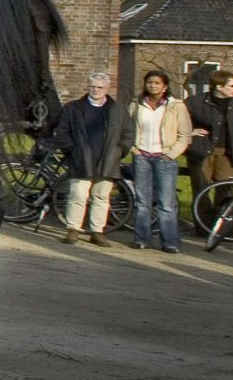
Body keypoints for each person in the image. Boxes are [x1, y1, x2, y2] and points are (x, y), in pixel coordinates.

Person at [53, 72, 128, 245]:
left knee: (101, 197)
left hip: (107, 159)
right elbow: (62, 132)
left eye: (100, 87)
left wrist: (120, 150)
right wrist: (72, 150)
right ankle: (72, 230)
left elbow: (128, 133)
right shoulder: (73, 108)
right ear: (88, 87)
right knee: (77, 195)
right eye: (92, 86)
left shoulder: (118, 110)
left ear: (107, 89)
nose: (96, 90)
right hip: (81, 158)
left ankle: (97, 231)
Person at [127, 69, 189, 254]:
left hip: (164, 158)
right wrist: (134, 150)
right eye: (150, 82)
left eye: (157, 83)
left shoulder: (176, 106)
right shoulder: (136, 105)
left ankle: (170, 240)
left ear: (165, 87)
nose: (153, 86)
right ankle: (141, 238)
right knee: (142, 200)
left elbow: (184, 135)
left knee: (166, 201)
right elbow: (127, 129)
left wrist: (171, 153)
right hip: (142, 156)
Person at [188, 70, 233, 227]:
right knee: (201, 189)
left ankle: (222, 227)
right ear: (219, 87)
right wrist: (190, 132)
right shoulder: (195, 102)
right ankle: (203, 226)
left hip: (227, 151)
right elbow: (180, 121)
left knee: (225, 188)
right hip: (202, 151)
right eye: (232, 85)